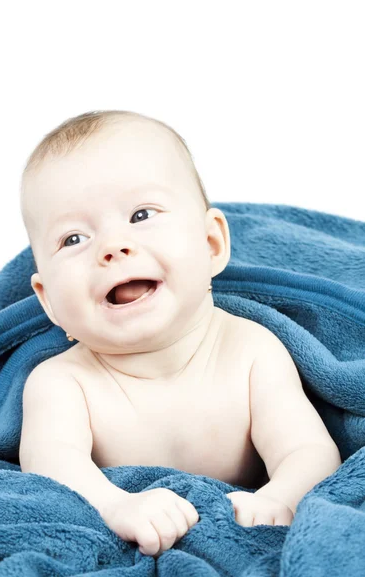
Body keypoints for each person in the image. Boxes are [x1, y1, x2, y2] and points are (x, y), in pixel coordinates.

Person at [18, 110, 341, 557]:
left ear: (211, 245)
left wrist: (280, 498)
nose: (113, 246)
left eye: (141, 214)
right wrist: (117, 505)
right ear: (48, 299)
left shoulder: (250, 351)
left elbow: (307, 449)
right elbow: (51, 463)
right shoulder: (62, 382)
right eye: (73, 239)